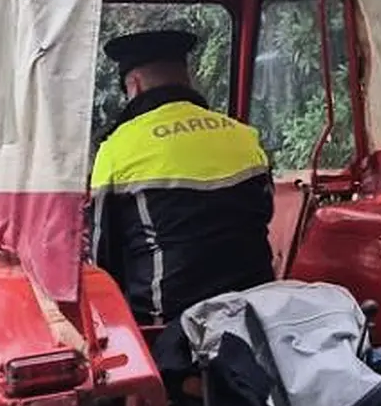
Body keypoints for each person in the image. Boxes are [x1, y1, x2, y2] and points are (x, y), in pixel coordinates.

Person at [87, 27, 275, 326]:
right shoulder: (243, 136)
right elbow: (263, 214)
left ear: (134, 85)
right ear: (187, 78)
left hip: (168, 323)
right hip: (255, 306)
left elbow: (102, 258)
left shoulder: (117, 149)